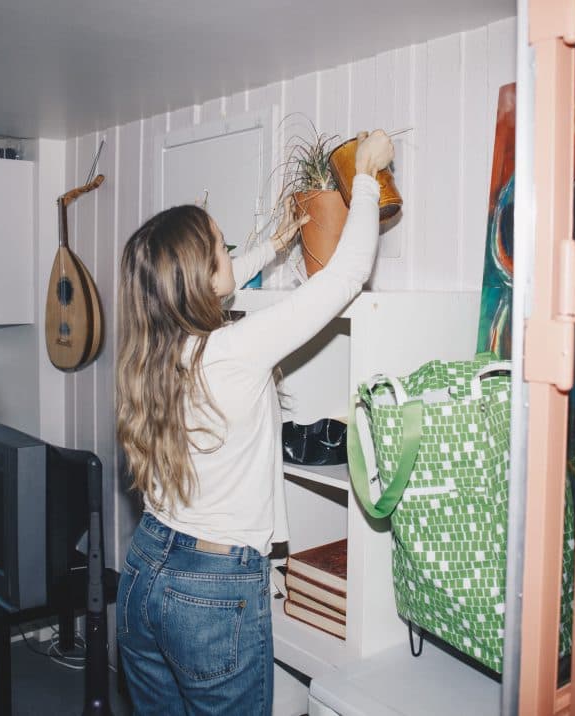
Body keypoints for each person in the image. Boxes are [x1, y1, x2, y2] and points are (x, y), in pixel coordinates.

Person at [114, 129, 395, 716]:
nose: (229, 252)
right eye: (222, 246)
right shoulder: (233, 351)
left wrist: (271, 247)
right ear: (199, 275)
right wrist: (365, 177)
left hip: (144, 569)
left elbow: (218, 279)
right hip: (213, 590)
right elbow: (343, 279)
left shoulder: (153, 349)